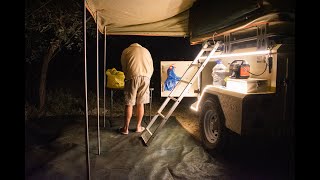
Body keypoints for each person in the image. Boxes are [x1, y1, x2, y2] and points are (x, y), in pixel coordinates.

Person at [119, 43, 154, 135]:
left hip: (132, 77)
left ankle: (125, 128)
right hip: (146, 77)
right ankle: (138, 127)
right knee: (140, 103)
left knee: (129, 103)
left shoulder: (126, 51)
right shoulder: (146, 51)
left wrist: (127, 76)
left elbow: (124, 66)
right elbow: (151, 67)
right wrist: (148, 77)